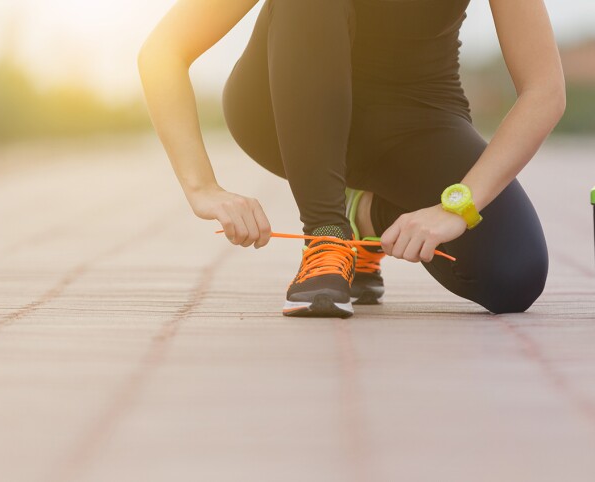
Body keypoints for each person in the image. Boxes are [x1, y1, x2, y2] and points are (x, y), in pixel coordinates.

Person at [138, 0, 566, 318]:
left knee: (514, 273)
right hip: (279, 110)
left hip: (416, 120)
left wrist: (457, 205)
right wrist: (202, 188)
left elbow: (544, 90)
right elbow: (163, 51)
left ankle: (362, 215)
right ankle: (326, 232)